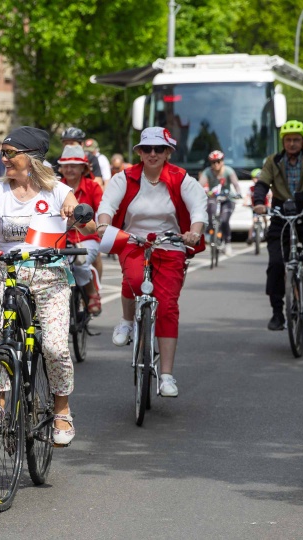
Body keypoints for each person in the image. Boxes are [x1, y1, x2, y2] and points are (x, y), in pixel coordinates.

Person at [0, 126, 97, 447]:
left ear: (31, 158)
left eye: (10, 153)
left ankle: (61, 409)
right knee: (0, 338)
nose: (3, 159)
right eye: (2, 153)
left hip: (50, 278)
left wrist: (77, 212)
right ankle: (0, 402)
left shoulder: (56, 190)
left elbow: (90, 221)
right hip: (11, 275)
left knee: (55, 347)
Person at [96, 127, 207, 398]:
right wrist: (103, 225)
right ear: (140, 153)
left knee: (167, 307)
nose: (153, 154)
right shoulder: (125, 177)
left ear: (168, 151)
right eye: (147, 149)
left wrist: (194, 231)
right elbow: (107, 205)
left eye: (159, 149)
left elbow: (198, 207)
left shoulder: (181, 178)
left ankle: (166, 376)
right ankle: (126, 320)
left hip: (171, 244)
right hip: (133, 241)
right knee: (133, 280)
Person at [252, 120, 303, 330]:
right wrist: (259, 203)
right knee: (276, 264)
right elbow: (261, 184)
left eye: (296, 140)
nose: (292, 144)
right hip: (281, 216)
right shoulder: (273, 161)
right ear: (283, 142)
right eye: (288, 140)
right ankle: (277, 313)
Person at [57, 145, 104, 315]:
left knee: (80, 263)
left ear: (83, 167)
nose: (68, 169)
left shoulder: (93, 187)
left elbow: (102, 215)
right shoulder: (55, 187)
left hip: (87, 238)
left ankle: (92, 294)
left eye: (73, 165)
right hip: (60, 239)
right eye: (65, 165)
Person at [198, 150, 241, 256]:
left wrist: (238, 193)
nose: (216, 164)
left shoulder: (228, 171)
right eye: (213, 162)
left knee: (224, 220)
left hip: (227, 198)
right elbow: (200, 185)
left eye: (218, 161)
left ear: (222, 161)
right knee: (209, 210)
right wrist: (198, 192)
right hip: (213, 197)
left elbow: (236, 184)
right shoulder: (207, 172)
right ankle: (210, 232)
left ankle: (227, 244)